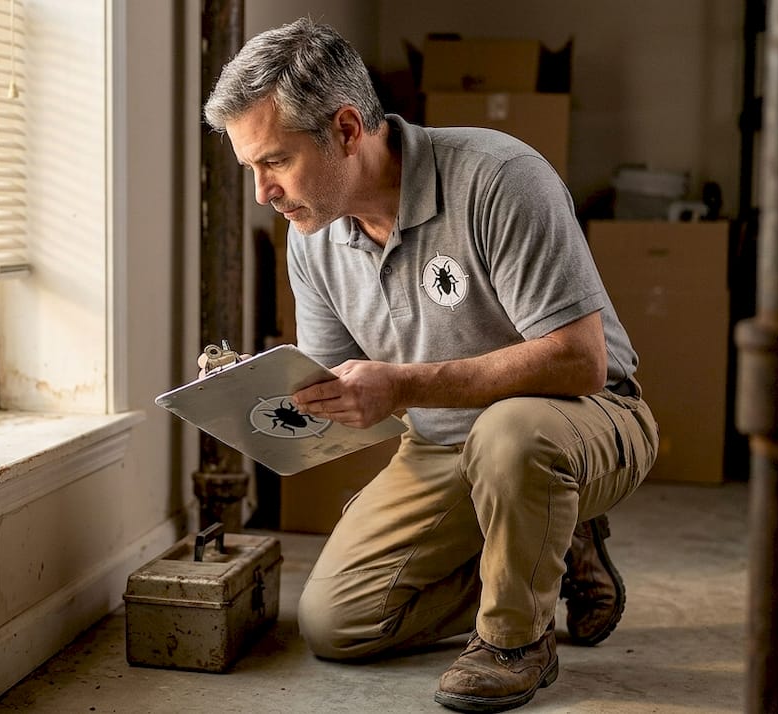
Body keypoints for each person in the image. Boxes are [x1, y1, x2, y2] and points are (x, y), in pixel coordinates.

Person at [202, 18, 658, 713]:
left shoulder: (499, 178)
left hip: (583, 417)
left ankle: (516, 642)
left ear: (347, 130)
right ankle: (549, 543)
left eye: (275, 161)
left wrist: (404, 385)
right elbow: (334, 387)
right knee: (338, 622)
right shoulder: (312, 238)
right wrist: (252, 390)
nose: (262, 191)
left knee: (512, 438)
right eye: (250, 169)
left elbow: (581, 361)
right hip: (441, 440)